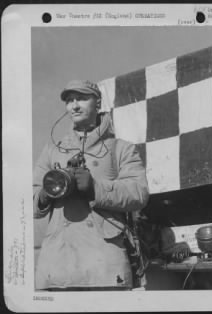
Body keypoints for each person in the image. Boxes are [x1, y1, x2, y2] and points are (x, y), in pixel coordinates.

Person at [33, 80, 149, 291]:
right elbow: (30, 204)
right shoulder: (52, 150)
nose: (74, 106)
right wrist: (46, 192)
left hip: (104, 265)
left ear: (98, 103)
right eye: (69, 100)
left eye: (82, 98)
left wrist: (94, 188)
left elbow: (139, 193)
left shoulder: (121, 149)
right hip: (57, 266)